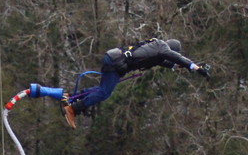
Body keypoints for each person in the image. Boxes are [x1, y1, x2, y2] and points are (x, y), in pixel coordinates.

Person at [62, 38, 210, 129]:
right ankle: (73, 109)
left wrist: (179, 66)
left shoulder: (156, 48)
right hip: (116, 63)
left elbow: (166, 62)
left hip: (114, 58)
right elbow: (174, 57)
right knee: (104, 93)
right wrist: (195, 67)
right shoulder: (162, 47)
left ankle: (71, 97)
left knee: (102, 89)